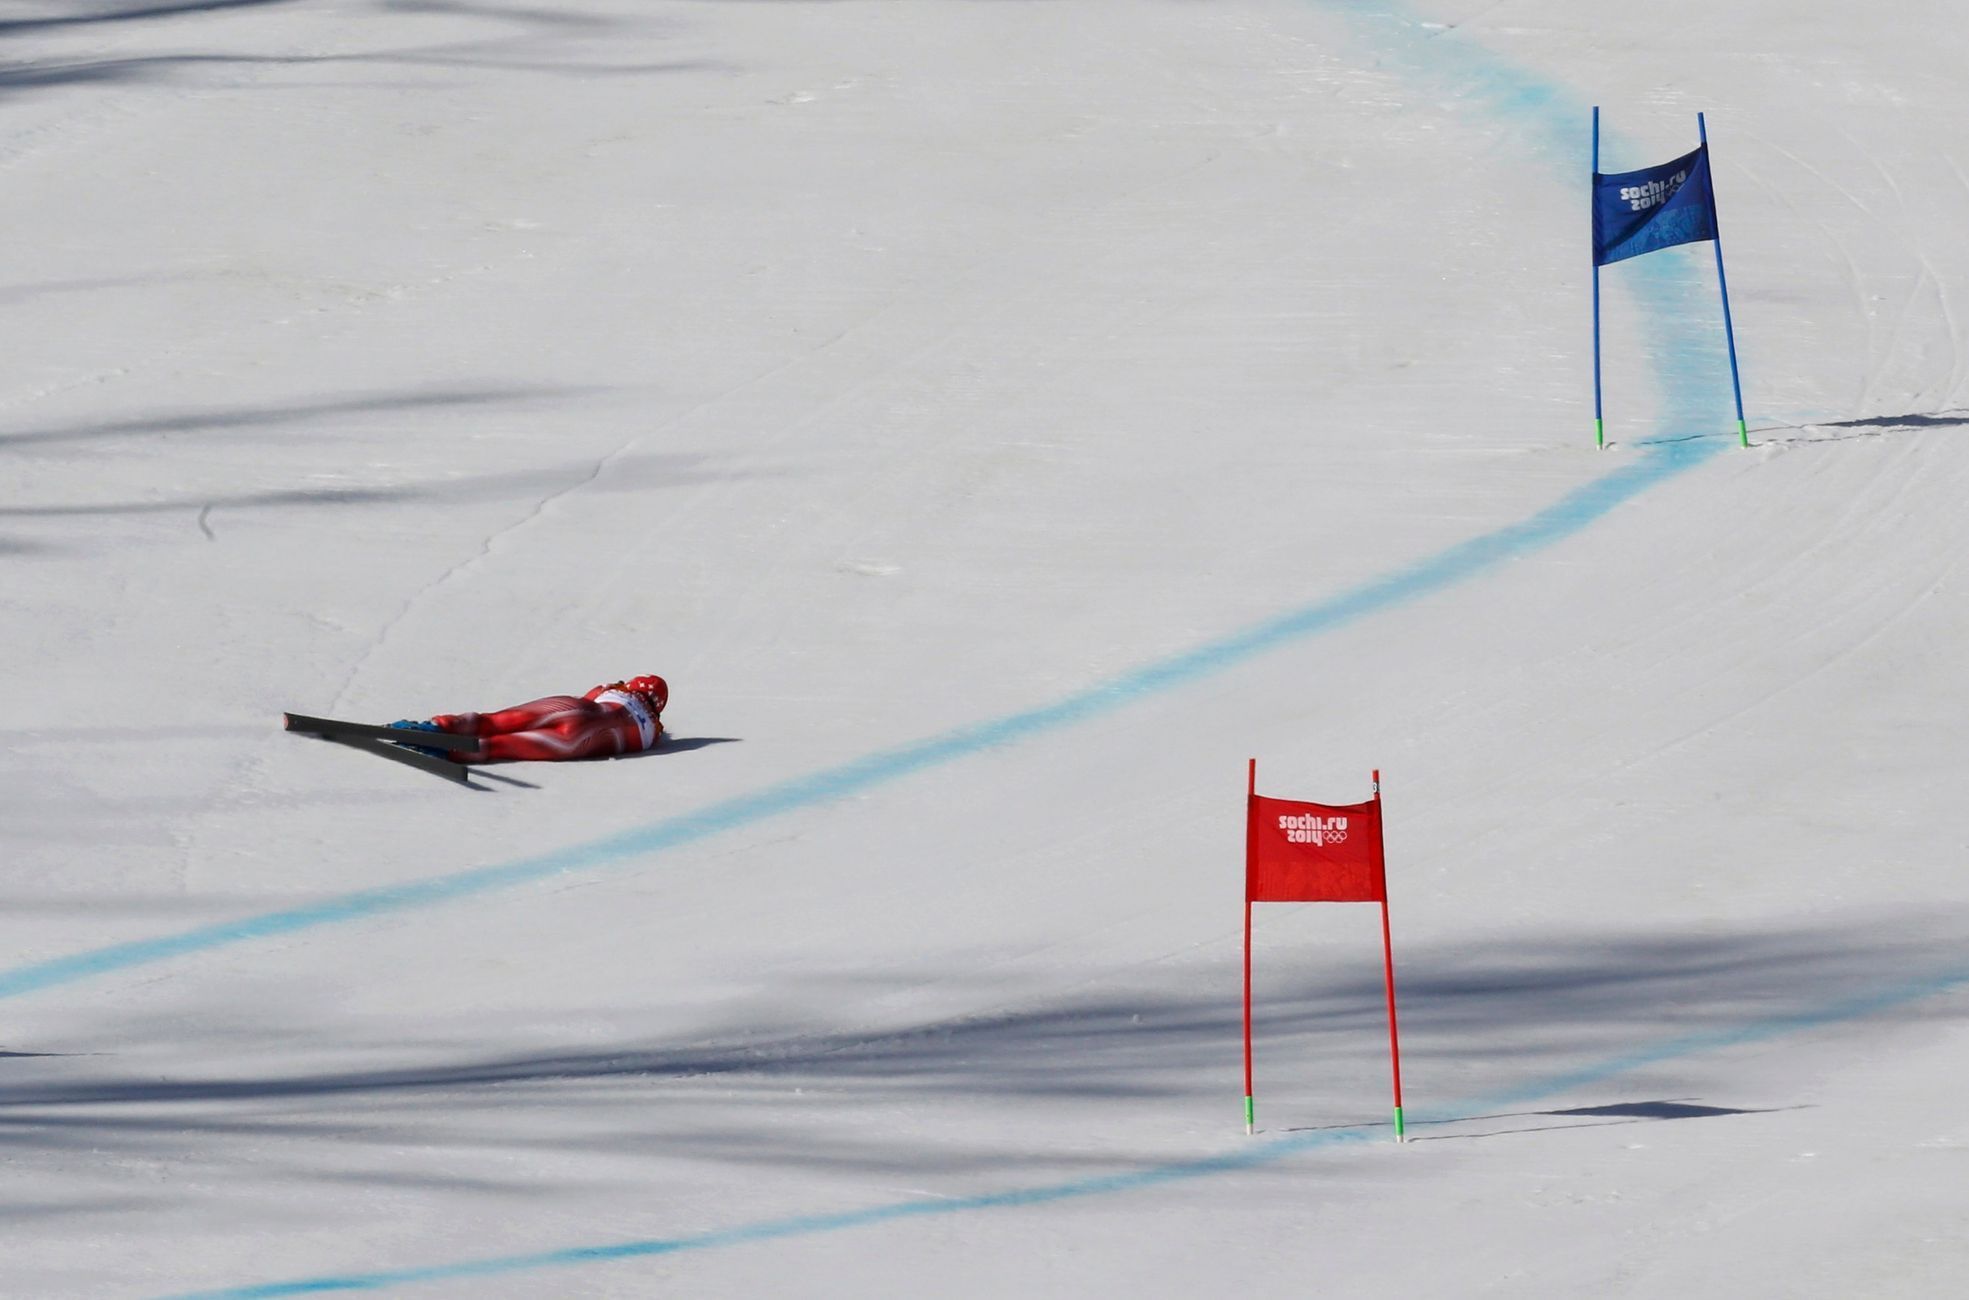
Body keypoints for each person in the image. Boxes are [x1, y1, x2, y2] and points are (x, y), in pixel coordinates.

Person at [391, 675, 667, 764]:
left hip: (573, 708)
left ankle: (436, 727)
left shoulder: (615, 690)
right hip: (581, 740)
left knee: (496, 721)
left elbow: (593, 695)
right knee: (504, 745)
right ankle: (447, 751)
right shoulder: (653, 731)